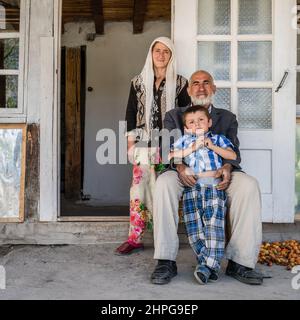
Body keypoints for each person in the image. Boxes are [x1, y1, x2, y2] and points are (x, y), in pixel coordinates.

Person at [151, 70, 263, 285]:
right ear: (188, 89)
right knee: (164, 184)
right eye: (195, 83)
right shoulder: (174, 116)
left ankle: (240, 262)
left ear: (213, 88)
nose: (201, 88)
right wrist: (181, 166)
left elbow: (234, 153)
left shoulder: (227, 117)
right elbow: (166, 150)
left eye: (206, 83)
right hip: (183, 171)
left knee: (249, 186)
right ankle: (165, 260)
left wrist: (228, 168)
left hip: (219, 173)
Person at [115, 37, 191, 255]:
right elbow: (130, 113)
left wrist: (182, 149)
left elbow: (187, 116)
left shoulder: (180, 83)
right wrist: (130, 143)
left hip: (171, 146)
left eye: (166, 51)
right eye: (157, 50)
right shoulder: (138, 82)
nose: (161, 55)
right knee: (138, 192)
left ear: (171, 55)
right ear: (151, 53)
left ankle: (163, 239)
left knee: (162, 193)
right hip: (143, 145)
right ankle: (134, 238)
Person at [170, 105, 237, 284]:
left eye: (201, 120)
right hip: (192, 188)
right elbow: (172, 156)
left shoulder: (217, 139)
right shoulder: (184, 141)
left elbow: (232, 155)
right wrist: (191, 148)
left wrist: (212, 146)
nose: (196, 124)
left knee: (214, 225)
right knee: (195, 228)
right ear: (185, 128)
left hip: (214, 187)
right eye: (191, 122)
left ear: (209, 122)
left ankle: (207, 266)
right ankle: (208, 265)